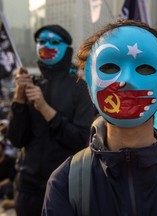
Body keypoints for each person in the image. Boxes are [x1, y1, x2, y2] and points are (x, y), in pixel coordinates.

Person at [41, 19, 157, 216]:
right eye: (110, 68)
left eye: (145, 69)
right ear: (90, 86)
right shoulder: (65, 182)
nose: (126, 80)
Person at [7, 24, 95, 216]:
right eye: (41, 41)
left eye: (54, 42)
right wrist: (19, 101)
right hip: (27, 187)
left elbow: (80, 140)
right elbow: (16, 139)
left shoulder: (80, 88)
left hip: (65, 186)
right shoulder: (32, 83)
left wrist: (45, 109)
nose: (46, 45)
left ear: (67, 48)